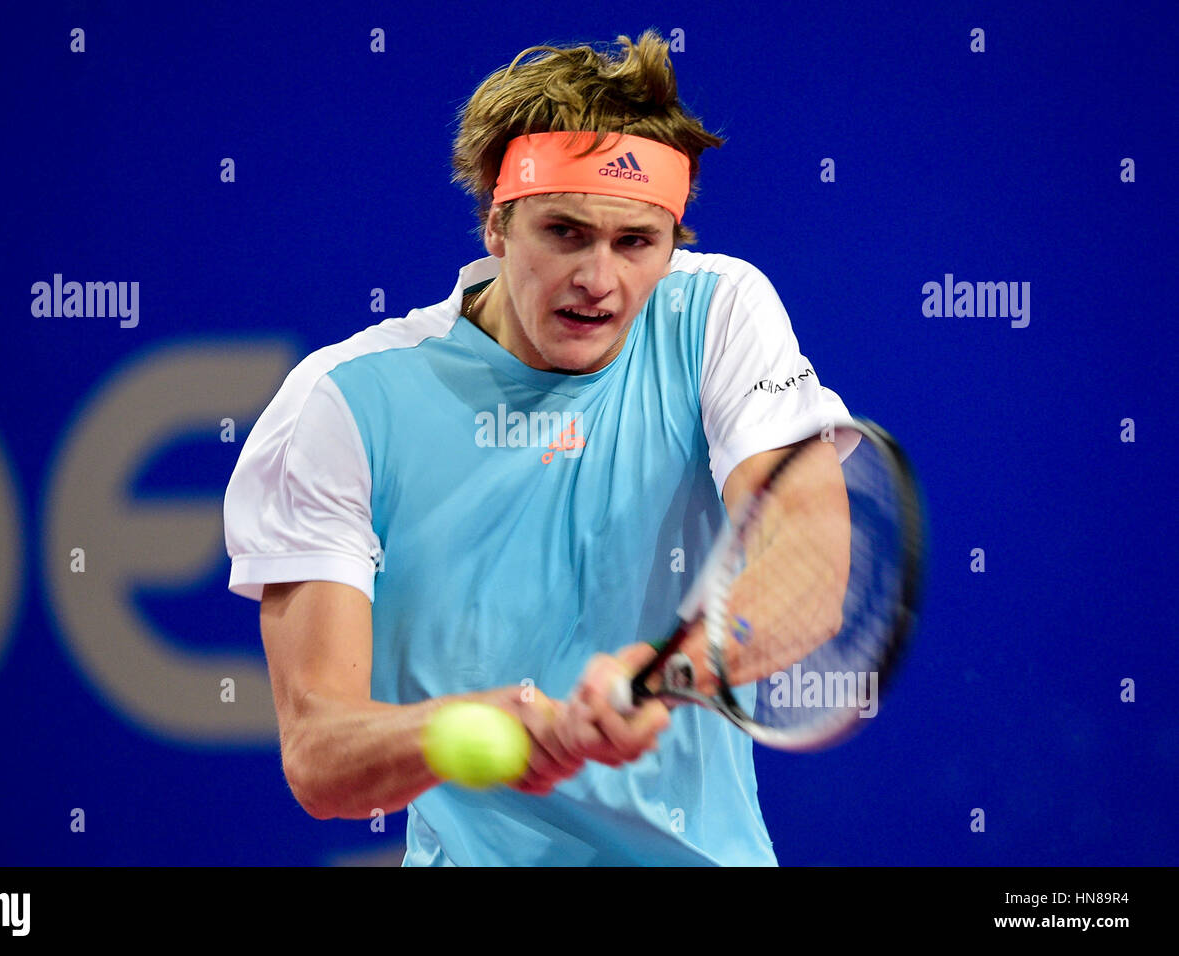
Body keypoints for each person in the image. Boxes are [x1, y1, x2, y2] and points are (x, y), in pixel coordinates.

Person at [222, 29, 852, 865]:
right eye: (565, 232)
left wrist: (664, 666)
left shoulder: (718, 315)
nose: (601, 279)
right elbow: (320, 758)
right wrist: (468, 727)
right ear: (497, 221)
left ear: (673, 239)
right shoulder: (343, 401)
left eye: (637, 243)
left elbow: (807, 570)